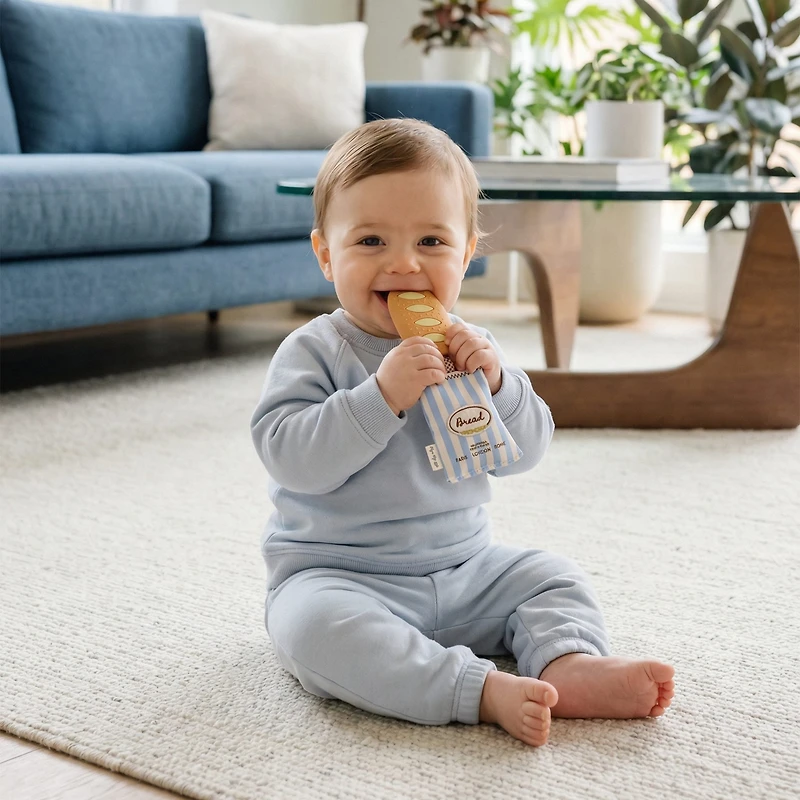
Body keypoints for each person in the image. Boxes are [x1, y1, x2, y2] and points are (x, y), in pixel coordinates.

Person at [250, 118, 674, 746]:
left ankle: (567, 665)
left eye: (430, 240)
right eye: (369, 240)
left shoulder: (469, 349)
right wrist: (381, 397)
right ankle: (475, 690)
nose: (403, 263)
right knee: (312, 631)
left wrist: (500, 384)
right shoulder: (315, 351)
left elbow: (524, 452)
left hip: (468, 568)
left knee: (550, 574)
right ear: (325, 254)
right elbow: (290, 457)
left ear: (469, 251)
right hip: (341, 575)